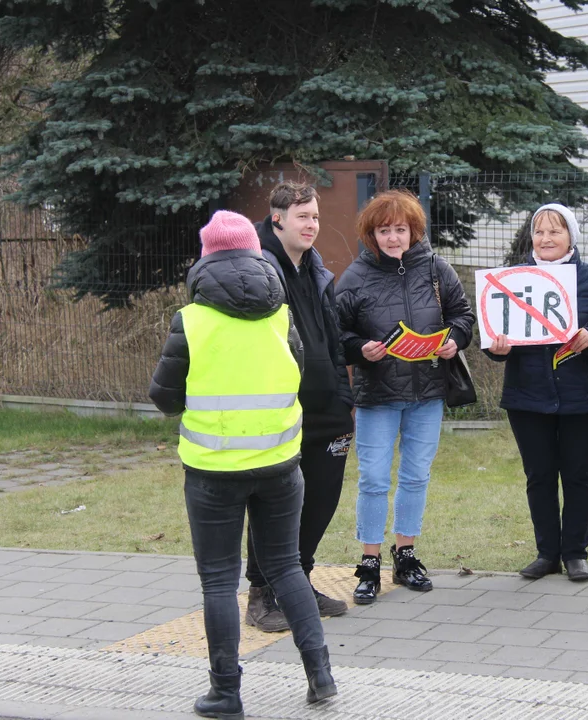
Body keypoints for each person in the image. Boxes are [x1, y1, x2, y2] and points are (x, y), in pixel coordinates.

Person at [149, 210, 336, 717]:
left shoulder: (191, 320)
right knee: (286, 569)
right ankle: (321, 676)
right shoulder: (280, 315)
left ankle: (226, 693)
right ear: (255, 254)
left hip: (213, 473)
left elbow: (164, 398)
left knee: (218, 581)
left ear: (206, 259)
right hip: (281, 465)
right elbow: (297, 373)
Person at [336, 189, 475, 604]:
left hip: (427, 392)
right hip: (377, 394)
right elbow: (336, 334)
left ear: (414, 230)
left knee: (416, 476)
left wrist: (453, 339)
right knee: (374, 479)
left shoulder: (437, 269)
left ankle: (407, 555)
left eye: (401, 229)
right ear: (371, 234)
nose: (393, 238)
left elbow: (462, 315)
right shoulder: (355, 277)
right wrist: (360, 348)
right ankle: (369, 562)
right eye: (384, 230)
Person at [486, 203, 588, 582]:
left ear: (570, 238)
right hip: (527, 395)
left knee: (579, 475)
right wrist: (495, 347)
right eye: (539, 232)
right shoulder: (511, 280)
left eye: (555, 231)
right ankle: (547, 553)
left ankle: (576, 552)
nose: (546, 239)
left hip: (583, 396)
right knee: (540, 476)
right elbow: (494, 335)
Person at [242, 182, 355, 631]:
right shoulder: (256, 268)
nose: (312, 225)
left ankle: (297, 581)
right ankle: (260, 594)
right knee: (275, 504)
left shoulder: (316, 269)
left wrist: (344, 396)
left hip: (328, 405)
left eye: (315, 218)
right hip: (280, 408)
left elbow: (328, 338)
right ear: (278, 219)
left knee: (321, 499)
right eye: (302, 217)